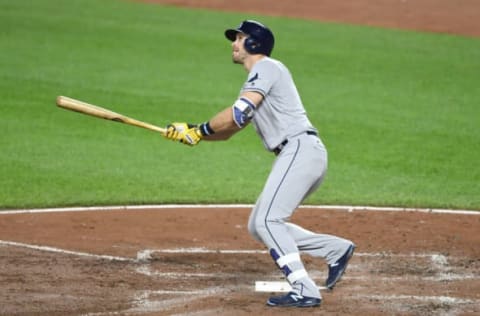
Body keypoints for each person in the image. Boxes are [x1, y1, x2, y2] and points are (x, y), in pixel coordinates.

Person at [164, 20, 355, 308]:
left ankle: (304, 289)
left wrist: (199, 129)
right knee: (259, 225)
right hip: (302, 154)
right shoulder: (259, 80)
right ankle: (335, 248)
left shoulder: (266, 68)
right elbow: (230, 131)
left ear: (254, 43)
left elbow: (237, 114)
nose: (234, 44)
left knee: (268, 220)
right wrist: (193, 135)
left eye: (239, 38)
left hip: (299, 151)